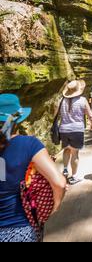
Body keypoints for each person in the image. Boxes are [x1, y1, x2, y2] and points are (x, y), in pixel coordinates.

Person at [0, 94, 66, 242]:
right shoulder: (28, 144)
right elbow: (59, 183)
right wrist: (55, 205)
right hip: (18, 229)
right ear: (17, 119)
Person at [59, 80, 92, 185]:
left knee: (66, 150)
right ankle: (74, 176)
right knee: (75, 153)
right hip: (77, 130)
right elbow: (90, 114)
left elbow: (55, 114)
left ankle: (65, 169)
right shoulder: (82, 100)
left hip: (64, 129)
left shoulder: (61, 100)